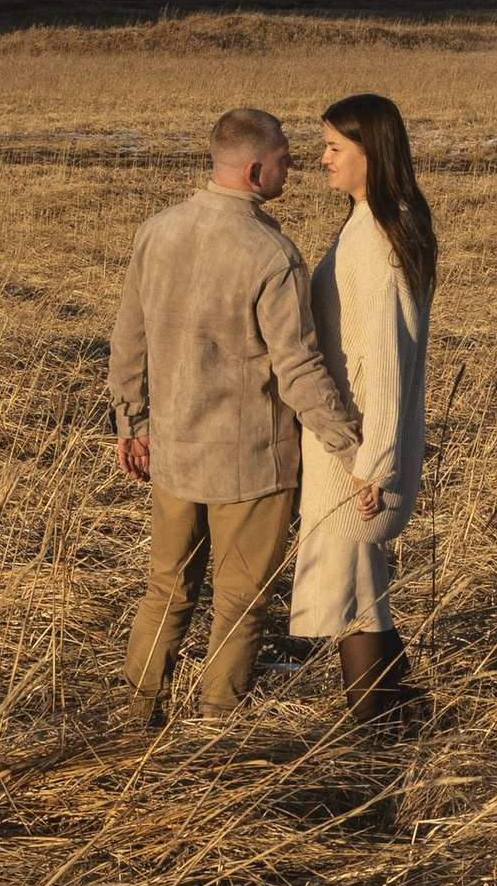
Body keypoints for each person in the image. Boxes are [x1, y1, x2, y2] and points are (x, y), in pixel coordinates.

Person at [108, 105, 373, 730]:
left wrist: (131, 423)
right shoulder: (271, 254)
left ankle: (136, 718)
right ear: (255, 170)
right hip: (251, 464)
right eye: (285, 156)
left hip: (171, 452)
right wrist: (353, 450)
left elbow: (128, 339)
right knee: (240, 604)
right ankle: (216, 734)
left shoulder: (158, 230)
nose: (298, 163)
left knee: (166, 592)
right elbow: (300, 370)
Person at [289, 91, 436, 722]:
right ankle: (405, 714)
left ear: (369, 153)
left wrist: (373, 463)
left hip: (356, 453)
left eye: (334, 147)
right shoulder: (367, 222)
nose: (321, 158)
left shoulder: (378, 237)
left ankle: (375, 733)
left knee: (353, 596)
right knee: (360, 590)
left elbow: (387, 361)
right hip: (346, 445)